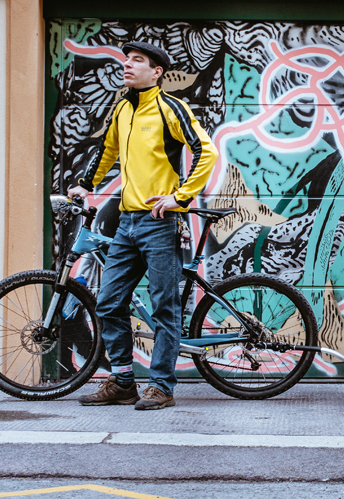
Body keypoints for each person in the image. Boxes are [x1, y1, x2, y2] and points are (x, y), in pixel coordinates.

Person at [68, 41, 218, 410]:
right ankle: (122, 381)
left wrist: (180, 197)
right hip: (127, 222)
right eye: (126, 60)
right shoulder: (123, 109)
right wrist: (85, 186)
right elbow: (107, 152)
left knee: (164, 306)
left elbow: (206, 150)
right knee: (108, 303)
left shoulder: (171, 108)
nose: (128, 65)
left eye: (138, 61)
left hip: (159, 223)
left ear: (157, 72)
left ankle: (162, 387)